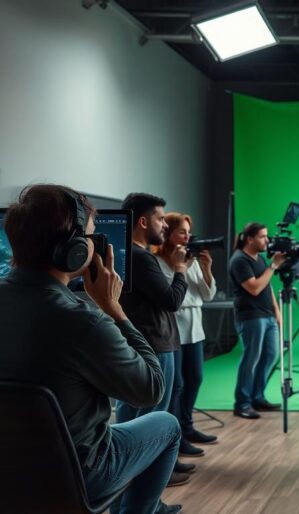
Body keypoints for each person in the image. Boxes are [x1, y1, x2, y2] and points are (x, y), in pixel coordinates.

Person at [0, 185, 181, 514]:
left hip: (7, 471)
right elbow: (151, 389)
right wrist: (114, 309)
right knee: (167, 424)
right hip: (74, 475)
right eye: (91, 237)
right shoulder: (83, 322)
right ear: (72, 250)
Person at [117, 193, 191, 486]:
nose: (164, 224)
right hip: (155, 346)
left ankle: (131, 487)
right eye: (161, 218)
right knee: (152, 422)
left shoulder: (122, 253)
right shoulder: (142, 257)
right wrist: (180, 268)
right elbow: (172, 300)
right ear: (144, 221)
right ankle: (148, 495)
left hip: (136, 343)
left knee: (129, 417)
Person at [156, 212, 218, 457]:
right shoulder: (160, 261)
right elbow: (171, 295)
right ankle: (176, 436)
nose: (187, 236)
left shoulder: (189, 259)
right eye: (182, 232)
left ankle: (188, 426)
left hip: (195, 329)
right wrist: (184, 265)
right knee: (177, 385)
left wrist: (206, 268)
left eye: (188, 232)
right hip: (174, 329)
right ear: (168, 234)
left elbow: (207, 294)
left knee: (196, 378)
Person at [229, 222, 285, 419]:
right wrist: (274, 266)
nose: (267, 240)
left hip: (267, 316)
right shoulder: (239, 261)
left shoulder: (259, 259)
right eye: (262, 237)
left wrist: (276, 310)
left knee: (271, 355)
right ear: (249, 239)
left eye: (266, 236)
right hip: (251, 317)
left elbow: (267, 286)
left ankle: (257, 397)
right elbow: (254, 287)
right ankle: (242, 404)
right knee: (250, 360)